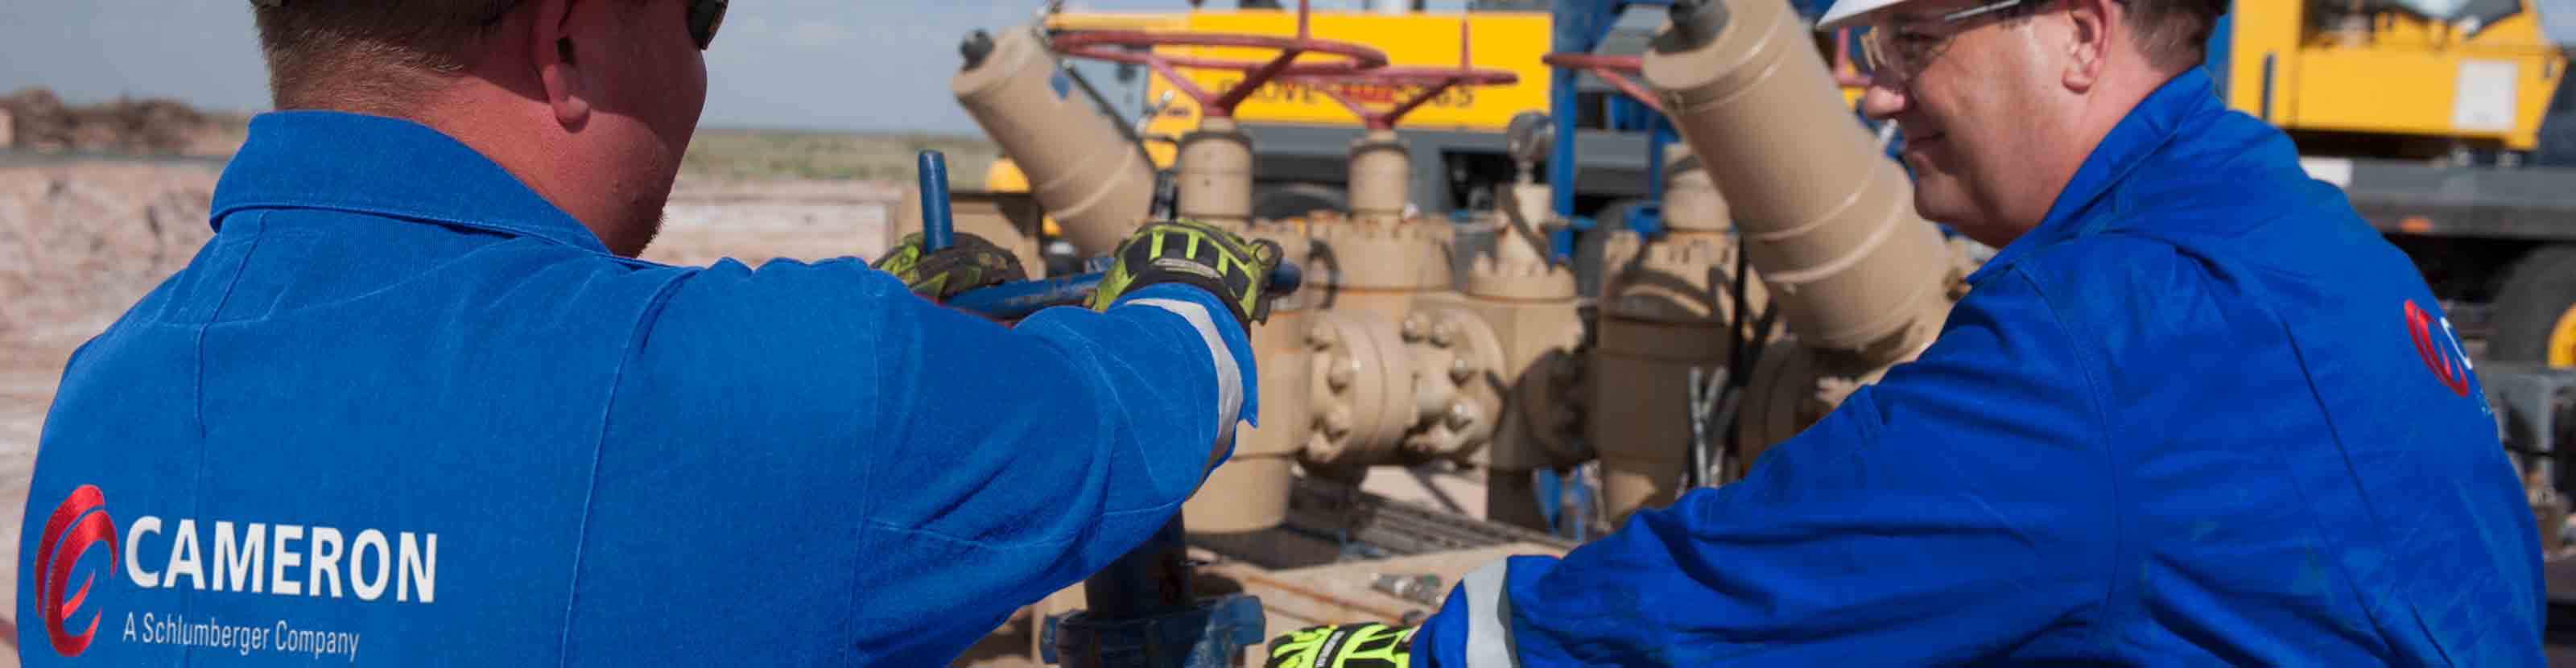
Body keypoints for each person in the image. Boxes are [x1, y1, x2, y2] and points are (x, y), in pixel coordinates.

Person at [1269, 0, 2545, 664]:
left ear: (2083, 36)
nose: (1874, 87)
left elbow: (1752, 587)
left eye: (1912, 38)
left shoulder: (2106, 331)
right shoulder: (2286, 226)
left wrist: (1440, 647)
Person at [16, 1, 1283, 665]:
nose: (703, 71)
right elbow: (1120, 414)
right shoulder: (779, 390)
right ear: (566, 45)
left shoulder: (101, 404)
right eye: (702, 14)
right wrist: (1191, 298)